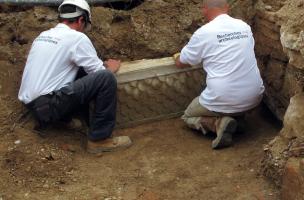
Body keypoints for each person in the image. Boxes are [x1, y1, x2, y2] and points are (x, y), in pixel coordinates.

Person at [18, 0, 132, 153]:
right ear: (81, 20)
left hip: (33, 106)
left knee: (76, 70)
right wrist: (111, 68)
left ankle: (64, 119)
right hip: (50, 106)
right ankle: (99, 139)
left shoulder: (44, 35)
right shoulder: (77, 38)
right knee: (106, 78)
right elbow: (98, 73)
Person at [174, 0, 265, 149]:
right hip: (255, 98)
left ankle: (219, 124)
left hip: (223, 99)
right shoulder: (244, 27)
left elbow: (181, 63)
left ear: (204, 10)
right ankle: (237, 121)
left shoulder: (204, 32)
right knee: (232, 101)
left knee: (188, 116)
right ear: (227, 7)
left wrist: (176, 56)